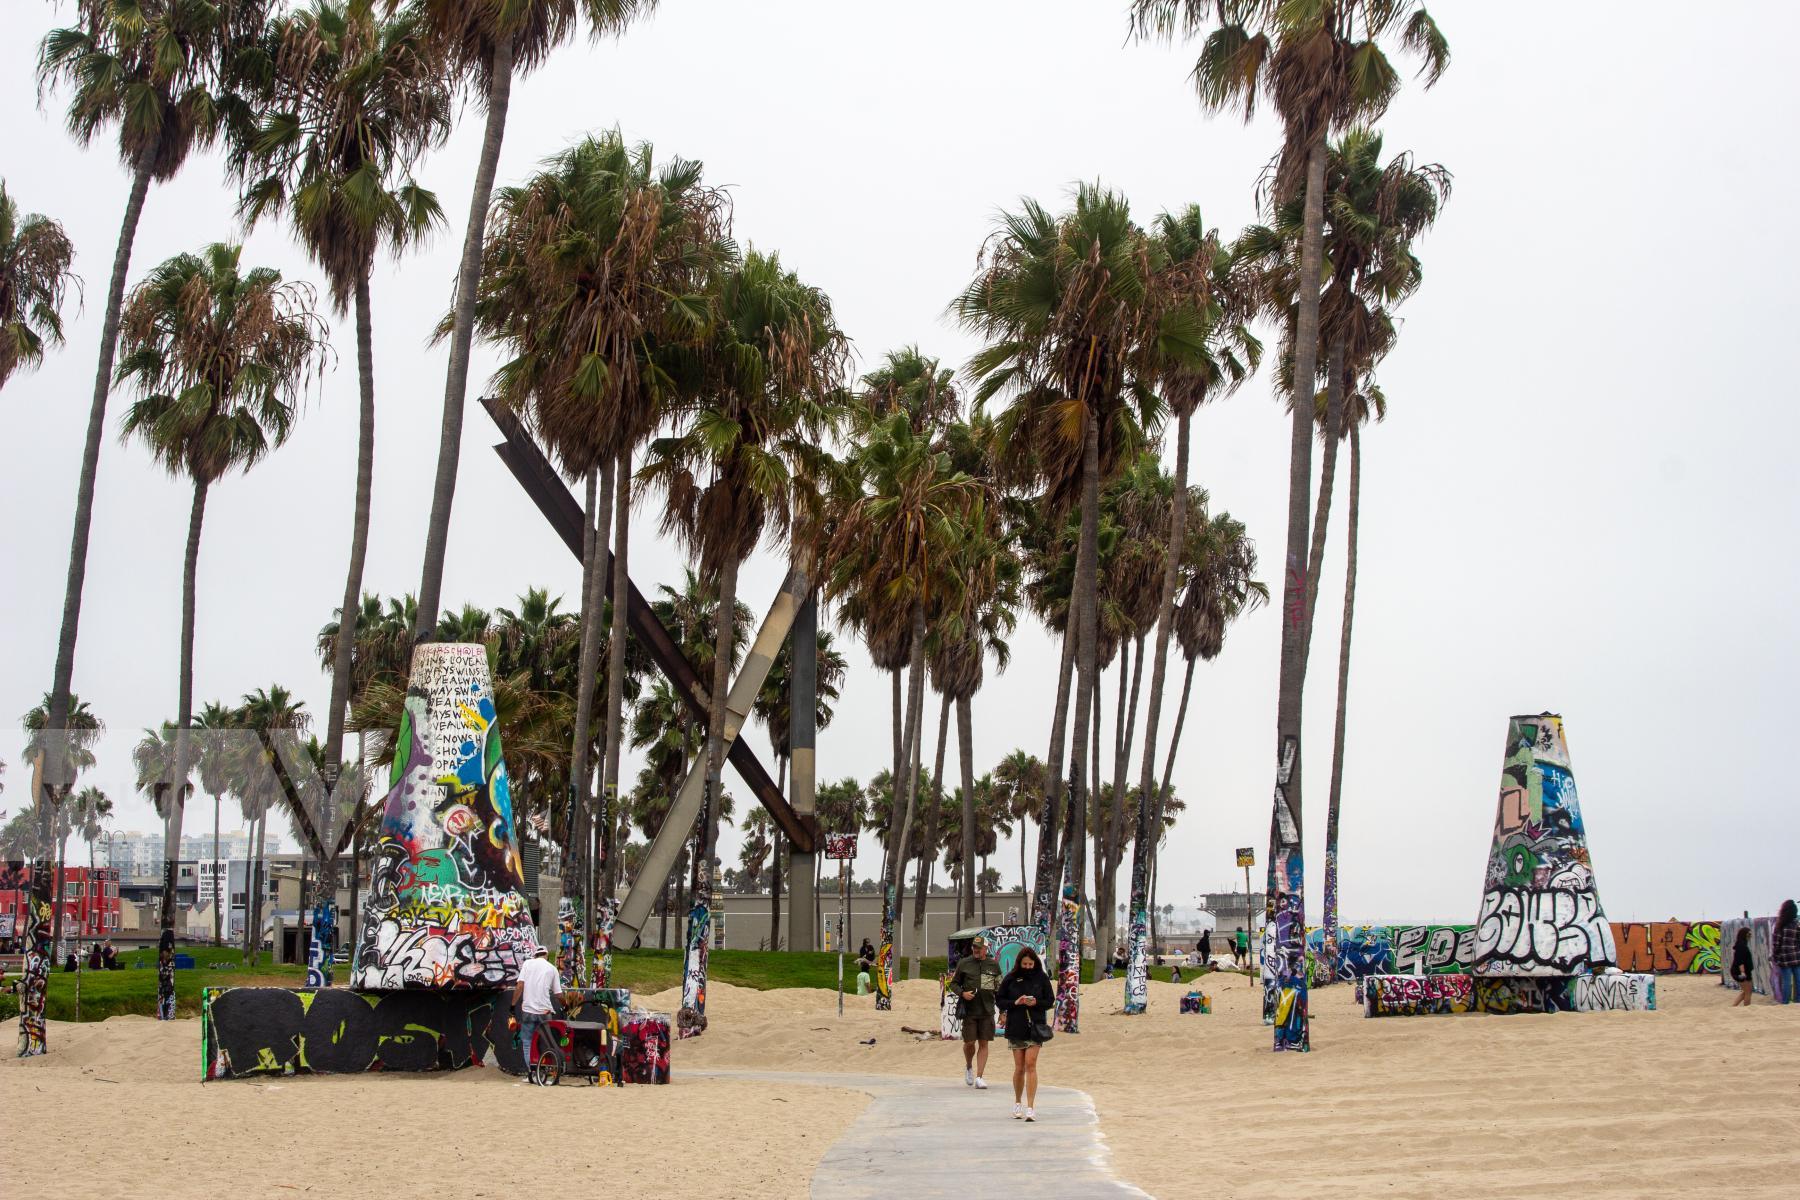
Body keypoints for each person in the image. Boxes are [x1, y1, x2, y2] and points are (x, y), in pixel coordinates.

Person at [997, 947, 1055, 1122]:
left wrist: (1036, 1002)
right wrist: (1015, 1002)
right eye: (1025, 964)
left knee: (1031, 1064)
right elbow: (1000, 999)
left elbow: (1050, 1000)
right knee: (1019, 1067)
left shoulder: (1042, 978)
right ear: (1019, 963)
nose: (1028, 967)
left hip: (1035, 1025)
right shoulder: (1011, 978)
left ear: (1035, 963)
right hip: (1016, 1025)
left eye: (1030, 964)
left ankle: (1031, 1106)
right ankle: (1017, 1102)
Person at [949, 935, 1000, 1089]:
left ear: (986, 948)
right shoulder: (964, 963)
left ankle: (979, 1077)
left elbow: (998, 988)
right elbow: (954, 984)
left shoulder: (993, 965)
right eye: (974, 947)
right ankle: (969, 1066)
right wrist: (962, 993)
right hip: (970, 1011)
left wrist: (1003, 1010)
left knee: (984, 1043)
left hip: (987, 1010)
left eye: (979, 948)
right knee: (969, 1042)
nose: (976, 950)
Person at [512, 945, 562, 1065]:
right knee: (546, 1042)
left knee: (527, 1042)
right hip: (545, 1012)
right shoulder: (552, 968)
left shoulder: (527, 964)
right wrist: (565, 1006)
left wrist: (512, 1005)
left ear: (535, 955)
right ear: (547, 955)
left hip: (528, 1011)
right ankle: (545, 1070)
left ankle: (531, 1072)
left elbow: (519, 986)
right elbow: (558, 994)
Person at [1774, 899, 1800, 1005]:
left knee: (1786, 982)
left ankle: (1785, 1002)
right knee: (1798, 980)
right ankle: (1798, 1000)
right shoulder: (1796, 925)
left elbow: (1776, 943)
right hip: (1796, 956)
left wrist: (1776, 956)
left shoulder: (1780, 925)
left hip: (1784, 958)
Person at [1730, 925, 1755, 1007]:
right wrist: (1743, 973)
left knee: (1746, 991)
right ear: (1744, 935)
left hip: (1744, 971)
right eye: (1749, 934)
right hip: (1741, 971)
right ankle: (1747, 1008)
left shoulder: (1742, 944)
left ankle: (1733, 1006)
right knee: (1748, 992)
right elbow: (1740, 961)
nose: (1750, 936)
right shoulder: (1741, 946)